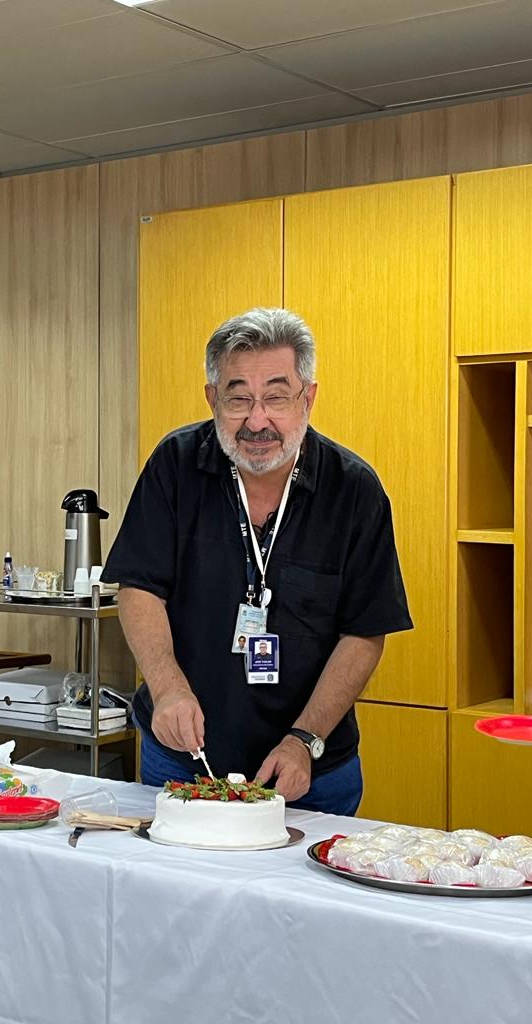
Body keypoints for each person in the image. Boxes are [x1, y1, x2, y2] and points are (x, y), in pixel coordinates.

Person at [102, 307, 412, 815]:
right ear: (212, 398)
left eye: (275, 396)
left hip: (309, 767)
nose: (257, 420)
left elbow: (364, 632)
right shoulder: (175, 464)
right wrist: (168, 688)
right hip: (184, 757)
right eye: (239, 398)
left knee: (300, 896)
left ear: (307, 397)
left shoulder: (353, 489)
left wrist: (303, 739)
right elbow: (139, 587)